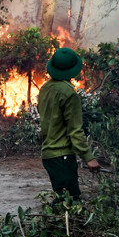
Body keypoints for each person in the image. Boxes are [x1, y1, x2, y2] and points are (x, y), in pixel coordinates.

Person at [38, 47, 100, 201]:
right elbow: (75, 130)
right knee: (70, 202)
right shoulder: (69, 94)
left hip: (49, 156)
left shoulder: (45, 89)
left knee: (63, 200)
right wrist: (89, 158)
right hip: (62, 155)